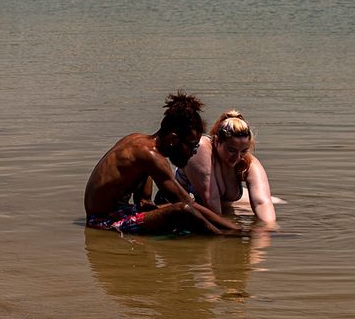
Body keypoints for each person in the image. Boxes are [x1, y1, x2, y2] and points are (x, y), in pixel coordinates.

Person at [84, 92, 243, 236]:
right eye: (192, 146)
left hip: (121, 211)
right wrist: (235, 230)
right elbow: (186, 203)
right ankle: (225, 239)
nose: (194, 152)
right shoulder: (150, 156)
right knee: (184, 211)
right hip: (104, 221)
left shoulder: (139, 142)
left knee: (173, 209)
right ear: (174, 140)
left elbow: (144, 203)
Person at [177, 110, 278, 225]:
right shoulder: (201, 149)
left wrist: (268, 229)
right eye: (231, 150)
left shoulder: (248, 163)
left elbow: (262, 202)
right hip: (185, 207)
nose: (237, 157)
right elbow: (211, 200)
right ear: (216, 142)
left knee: (278, 202)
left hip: (225, 206)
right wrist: (229, 232)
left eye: (243, 151)